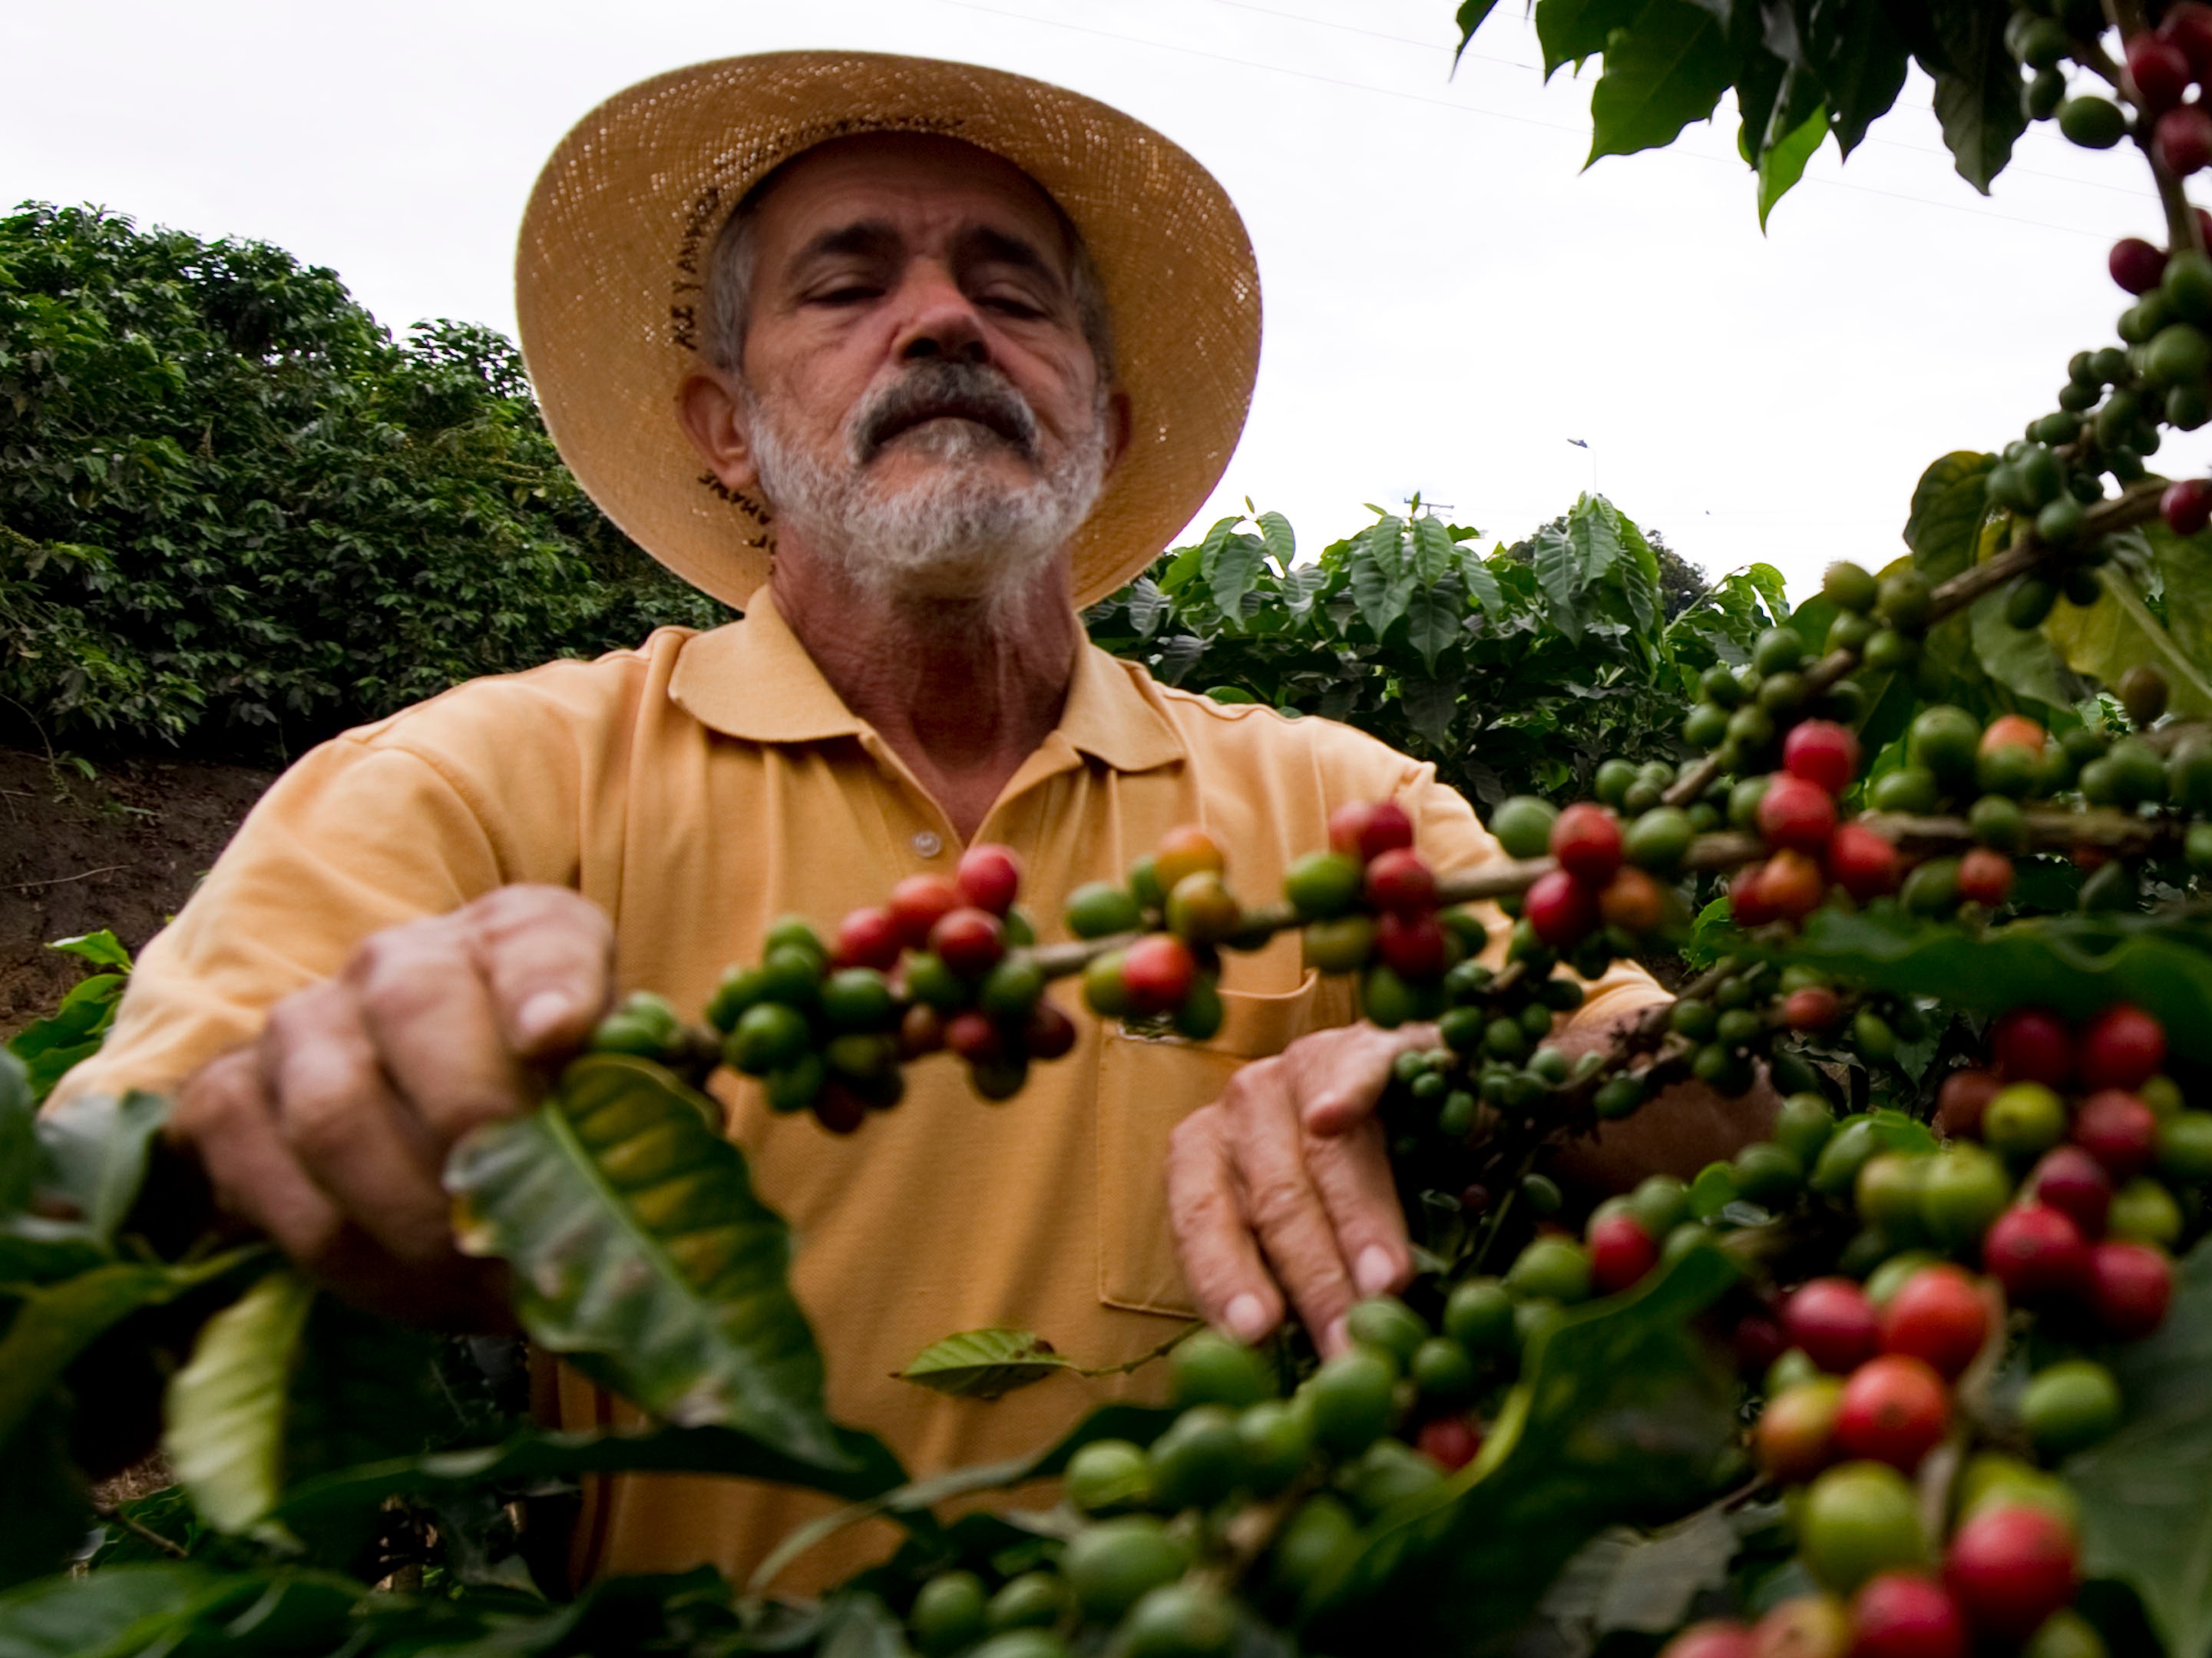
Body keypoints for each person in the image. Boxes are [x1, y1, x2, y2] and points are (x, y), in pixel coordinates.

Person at [51, 53, 1767, 1587]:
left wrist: (1462, 1079)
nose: (941, 322)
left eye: (1010, 291)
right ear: (724, 430)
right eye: (846, 286)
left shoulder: (1340, 805)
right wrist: (254, 1144)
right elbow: (71, 1239)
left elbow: (1719, 1127)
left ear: (1101, 418)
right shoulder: (483, 782)